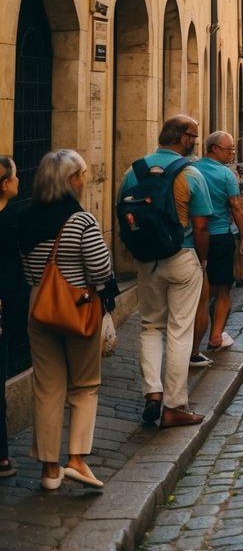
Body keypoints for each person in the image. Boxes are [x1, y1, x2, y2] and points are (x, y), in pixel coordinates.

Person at [18, 151, 112, 490]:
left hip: (39, 306)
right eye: (83, 173)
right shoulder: (81, 220)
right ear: (71, 179)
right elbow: (101, 270)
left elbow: (26, 268)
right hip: (79, 306)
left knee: (47, 387)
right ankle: (76, 459)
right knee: (84, 385)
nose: (85, 179)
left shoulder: (24, 219)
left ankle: (48, 470)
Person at [118, 115, 212, 428]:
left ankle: (152, 394)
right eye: (193, 136)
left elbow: (123, 213)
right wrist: (202, 260)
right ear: (182, 137)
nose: (196, 141)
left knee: (150, 326)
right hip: (182, 255)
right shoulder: (191, 174)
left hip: (147, 259)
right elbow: (201, 226)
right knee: (179, 330)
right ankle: (174, 405)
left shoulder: (134, 171)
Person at [191, 131, 243, 360]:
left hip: (194, 238)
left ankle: (196, 340)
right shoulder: (225, 174)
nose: (233, 153)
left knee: (201, 292)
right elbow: (235, 206)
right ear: (215, 148)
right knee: (223, 289)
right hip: (220, 235)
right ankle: (215, 335)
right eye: (229, 149)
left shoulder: (192, 170)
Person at [0, 157, 22, 480]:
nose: (20, 180)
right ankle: (2, 458)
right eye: (15, 176)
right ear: (5, 184)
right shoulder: (12, 220)